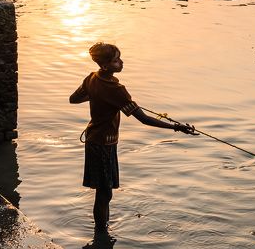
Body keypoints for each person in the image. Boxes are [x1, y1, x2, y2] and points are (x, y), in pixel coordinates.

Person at [70, 42, 195, 234]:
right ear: (105, 65)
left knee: (103, 192)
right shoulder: (115, 90)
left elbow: (74, 98)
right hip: (104, 143)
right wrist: (176, 127)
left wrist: (99, 96)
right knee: (104, 193)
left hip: (93, 140)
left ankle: (102, 232)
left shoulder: (92, 78)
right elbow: (144, 119)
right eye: (116, 60)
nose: (121, 62)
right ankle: (101, 234)